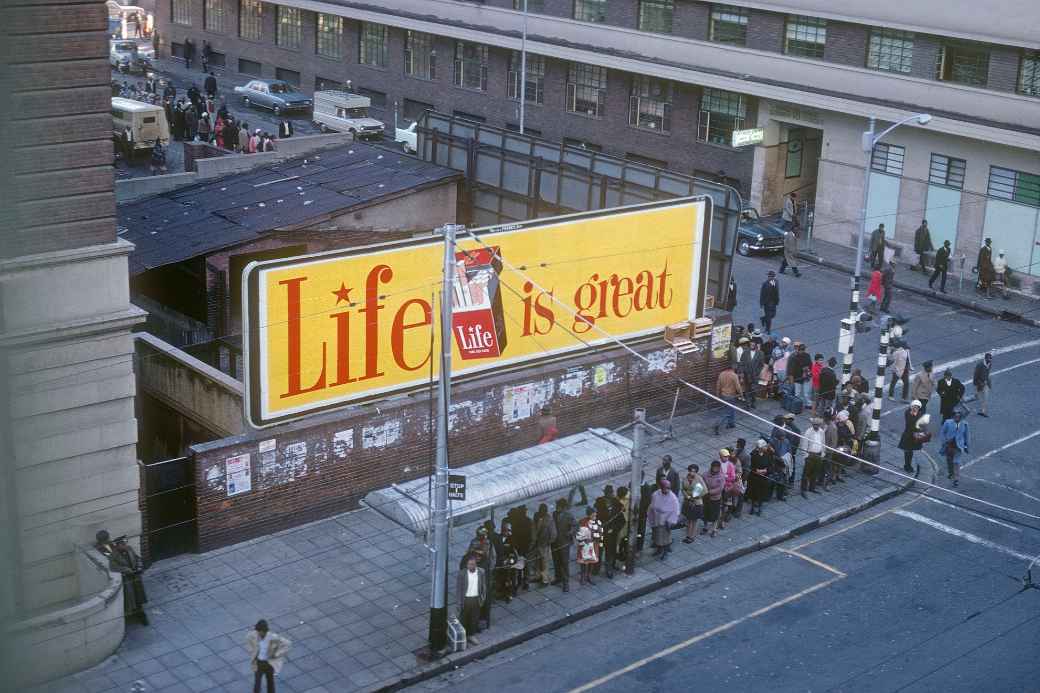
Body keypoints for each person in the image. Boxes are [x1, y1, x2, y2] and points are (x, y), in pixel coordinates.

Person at [104, 535, 149, 625]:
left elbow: (137, 558)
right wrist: (126, 570)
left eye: (125, 543)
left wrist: (139, 566)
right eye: (122, 544)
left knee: (138, 595)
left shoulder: (129, 549)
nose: (125, 545)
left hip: (136, 576)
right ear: (117, 545)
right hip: (126, 579)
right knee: (130, 597)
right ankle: (130, 613)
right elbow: (113, 567)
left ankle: (141, 613)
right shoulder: (114, 555)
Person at [245, 619, 290, 693]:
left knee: (270, 682)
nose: (258, 633)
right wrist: (252, 651)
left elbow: (287, 644)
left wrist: (277, 654)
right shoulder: (253, 635)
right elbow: (248, 639)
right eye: (257, 631)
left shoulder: (273, 637)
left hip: (269, 663)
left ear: (264, 631)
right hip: (258, 663)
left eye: (260, 631)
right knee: (257, 683)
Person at [456, 556, 487, 645]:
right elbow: (459, 590)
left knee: (474, 618)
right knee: (463, 619)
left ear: (475, 564)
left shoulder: (481, 572)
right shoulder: (462, 574)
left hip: (476, 599)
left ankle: (471, 635)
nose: (471, 566)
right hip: (466, 600)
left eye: (473, 564)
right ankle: (462, 636)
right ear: (467, 565)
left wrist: (482, 598)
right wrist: (459, 603)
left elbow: (483, 587)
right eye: (469, 564)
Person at [647, 479, 680, 559]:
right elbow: (652, 506)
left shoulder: (673, 498)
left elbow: (676, 511)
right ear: (661, 487)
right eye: (666, 488)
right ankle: (659, 550)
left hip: (666, 521)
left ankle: (665, 553)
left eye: (669, 488)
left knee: (665, 538)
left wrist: (670, 521)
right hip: (656, 519)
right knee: (657, 536)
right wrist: (650, 517)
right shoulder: (655, 494)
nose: (667, 490)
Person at [938, 410, 970, 486]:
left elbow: (967, 436)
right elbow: (942, 432)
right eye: (955, 416)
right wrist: (944, 442)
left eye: (959, 417)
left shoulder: (965, 424)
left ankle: (956, 479)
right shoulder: (947, 422)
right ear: (953, 416)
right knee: (949, 459)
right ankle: (951, 472)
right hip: (949, 445)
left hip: (958, 446)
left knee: (956, 462)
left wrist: (966, 446)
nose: (957, 418)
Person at [898, 401, 927, 473]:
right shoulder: (907, 413)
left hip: (914, 435)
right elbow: (910, 423)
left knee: (910, 451)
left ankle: (908, 465)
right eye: (914, 406)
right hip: (908, 435)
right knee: (907, 450)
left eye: (917, 407)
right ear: (911, 406)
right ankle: (907, 465)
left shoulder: (920, 415)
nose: (915, 408)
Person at [532, 503, 556, 586]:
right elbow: (534, 528)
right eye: (540, 510)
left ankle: (545, 579)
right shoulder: (536, 516)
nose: (541, 512)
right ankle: (538, 576)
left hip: (544, 544)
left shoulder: (549, 520)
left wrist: (549, 542)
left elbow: (553, 533)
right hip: (537, 543)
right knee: (537, 562)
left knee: (544, 562)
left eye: (542, 511)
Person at [714, 364, 742, 435]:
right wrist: (741, 394)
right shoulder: (734, 375)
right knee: (729, 411)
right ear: (732, 369)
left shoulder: (721, 374)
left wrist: (717, 395)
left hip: (723, 395)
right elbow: (738, 386)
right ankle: (719, 424)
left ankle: (731, 424)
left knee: (730, 410)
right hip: (731, 395)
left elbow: (718, 385)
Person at [681, 465, 706, 543]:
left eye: (694, 471)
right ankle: (688, 535)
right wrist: (687, 496)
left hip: (696, 503)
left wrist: (695, 497)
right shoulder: (685, 478)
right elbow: (683, 489)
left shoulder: (699, 479)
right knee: (688, 520)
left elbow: (705, 491)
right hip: (688, 501)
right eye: (691, 471)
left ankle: (692, 536)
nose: (692, 473)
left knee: (694, 520)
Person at [801, 417, 825, 497]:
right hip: (810, 455)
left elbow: (823, 443)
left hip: (818, 455)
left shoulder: (822, 432)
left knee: (815, 472)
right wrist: (805, 456)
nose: (816, 426)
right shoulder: (808, 432)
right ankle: (803, 489)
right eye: (815, 424)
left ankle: (812, 487)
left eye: (817, 425)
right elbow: (804, 444)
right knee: (806, 473)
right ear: (812, 424)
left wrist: (822, 453)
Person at [576, 507, 600, 585]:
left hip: (593, 545)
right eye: (593, 515)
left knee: (591, 562)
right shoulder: (582, 522)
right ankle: (583, 577)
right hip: (585, 546)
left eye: (595, 515)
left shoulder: (597, 522)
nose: (595, 516)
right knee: (583, 562)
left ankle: (589, 576)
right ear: (589, 514)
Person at [702, 460, 725, 537]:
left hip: (715, 498)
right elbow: (701, 483)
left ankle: (714, 529)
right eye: (714, 467)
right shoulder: (705, 474)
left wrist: (709, 492)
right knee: (705, 513)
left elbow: (720, 488)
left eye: (717, 467)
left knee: (715, 514)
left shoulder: (721, 477)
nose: (715, 469)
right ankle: (705, 527)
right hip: (706, 498)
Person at [743, 339, 765, 410]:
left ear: (756, 345)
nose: (752, 346)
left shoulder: (760, 353)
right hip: (747, 375)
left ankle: (753, 402)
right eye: (751, 344)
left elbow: (761, 365)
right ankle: (748, 404)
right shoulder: (745, 352)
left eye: (753, 344)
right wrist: (743, 372)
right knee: (747, 390)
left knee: (754, 390)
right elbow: (741, 363)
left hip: (755, 375)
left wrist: (757, 372)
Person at [972, 353, 993, 417]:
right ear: (985, 358)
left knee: (985, 398)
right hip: (979, 384)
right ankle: (965, 400)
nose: (990, 360)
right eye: (989, 358)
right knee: (978, 397)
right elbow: (975, 375)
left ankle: (983, 412)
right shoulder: (980, 365)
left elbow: (988, 373)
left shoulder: (989, 364)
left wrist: (989, 383)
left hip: (985, 384)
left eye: (991, 358)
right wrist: (976, 384)